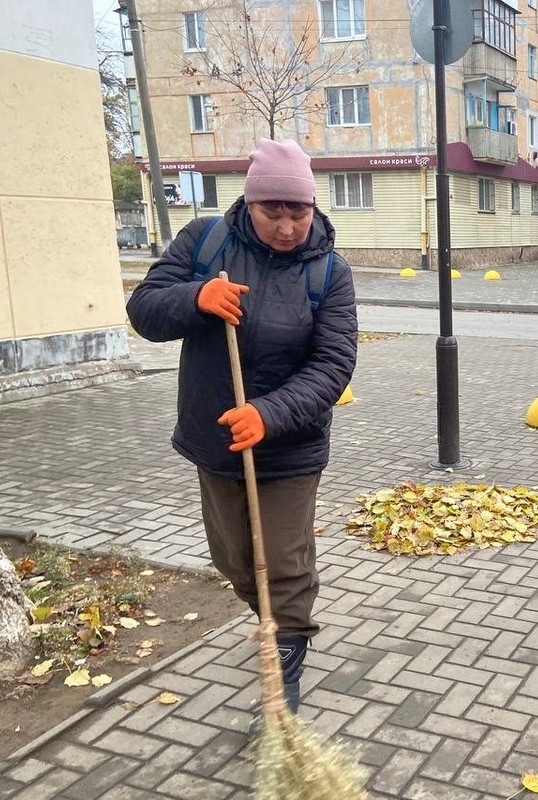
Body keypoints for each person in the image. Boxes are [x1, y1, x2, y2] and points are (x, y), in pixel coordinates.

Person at [126, 138, 358, 717]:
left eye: (297, 212)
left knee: (282, 561)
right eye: (272, 211)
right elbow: (145, 311)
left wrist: (269, 414)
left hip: (289, 447)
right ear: (249, 204)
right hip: (216, 440)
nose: (285, 225)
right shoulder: (203, 243)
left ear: (313, 207)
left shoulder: (330, 272)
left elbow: (333, 364)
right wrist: (196, 297)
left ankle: (285, 669)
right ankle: (275, 623)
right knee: (234, 560)